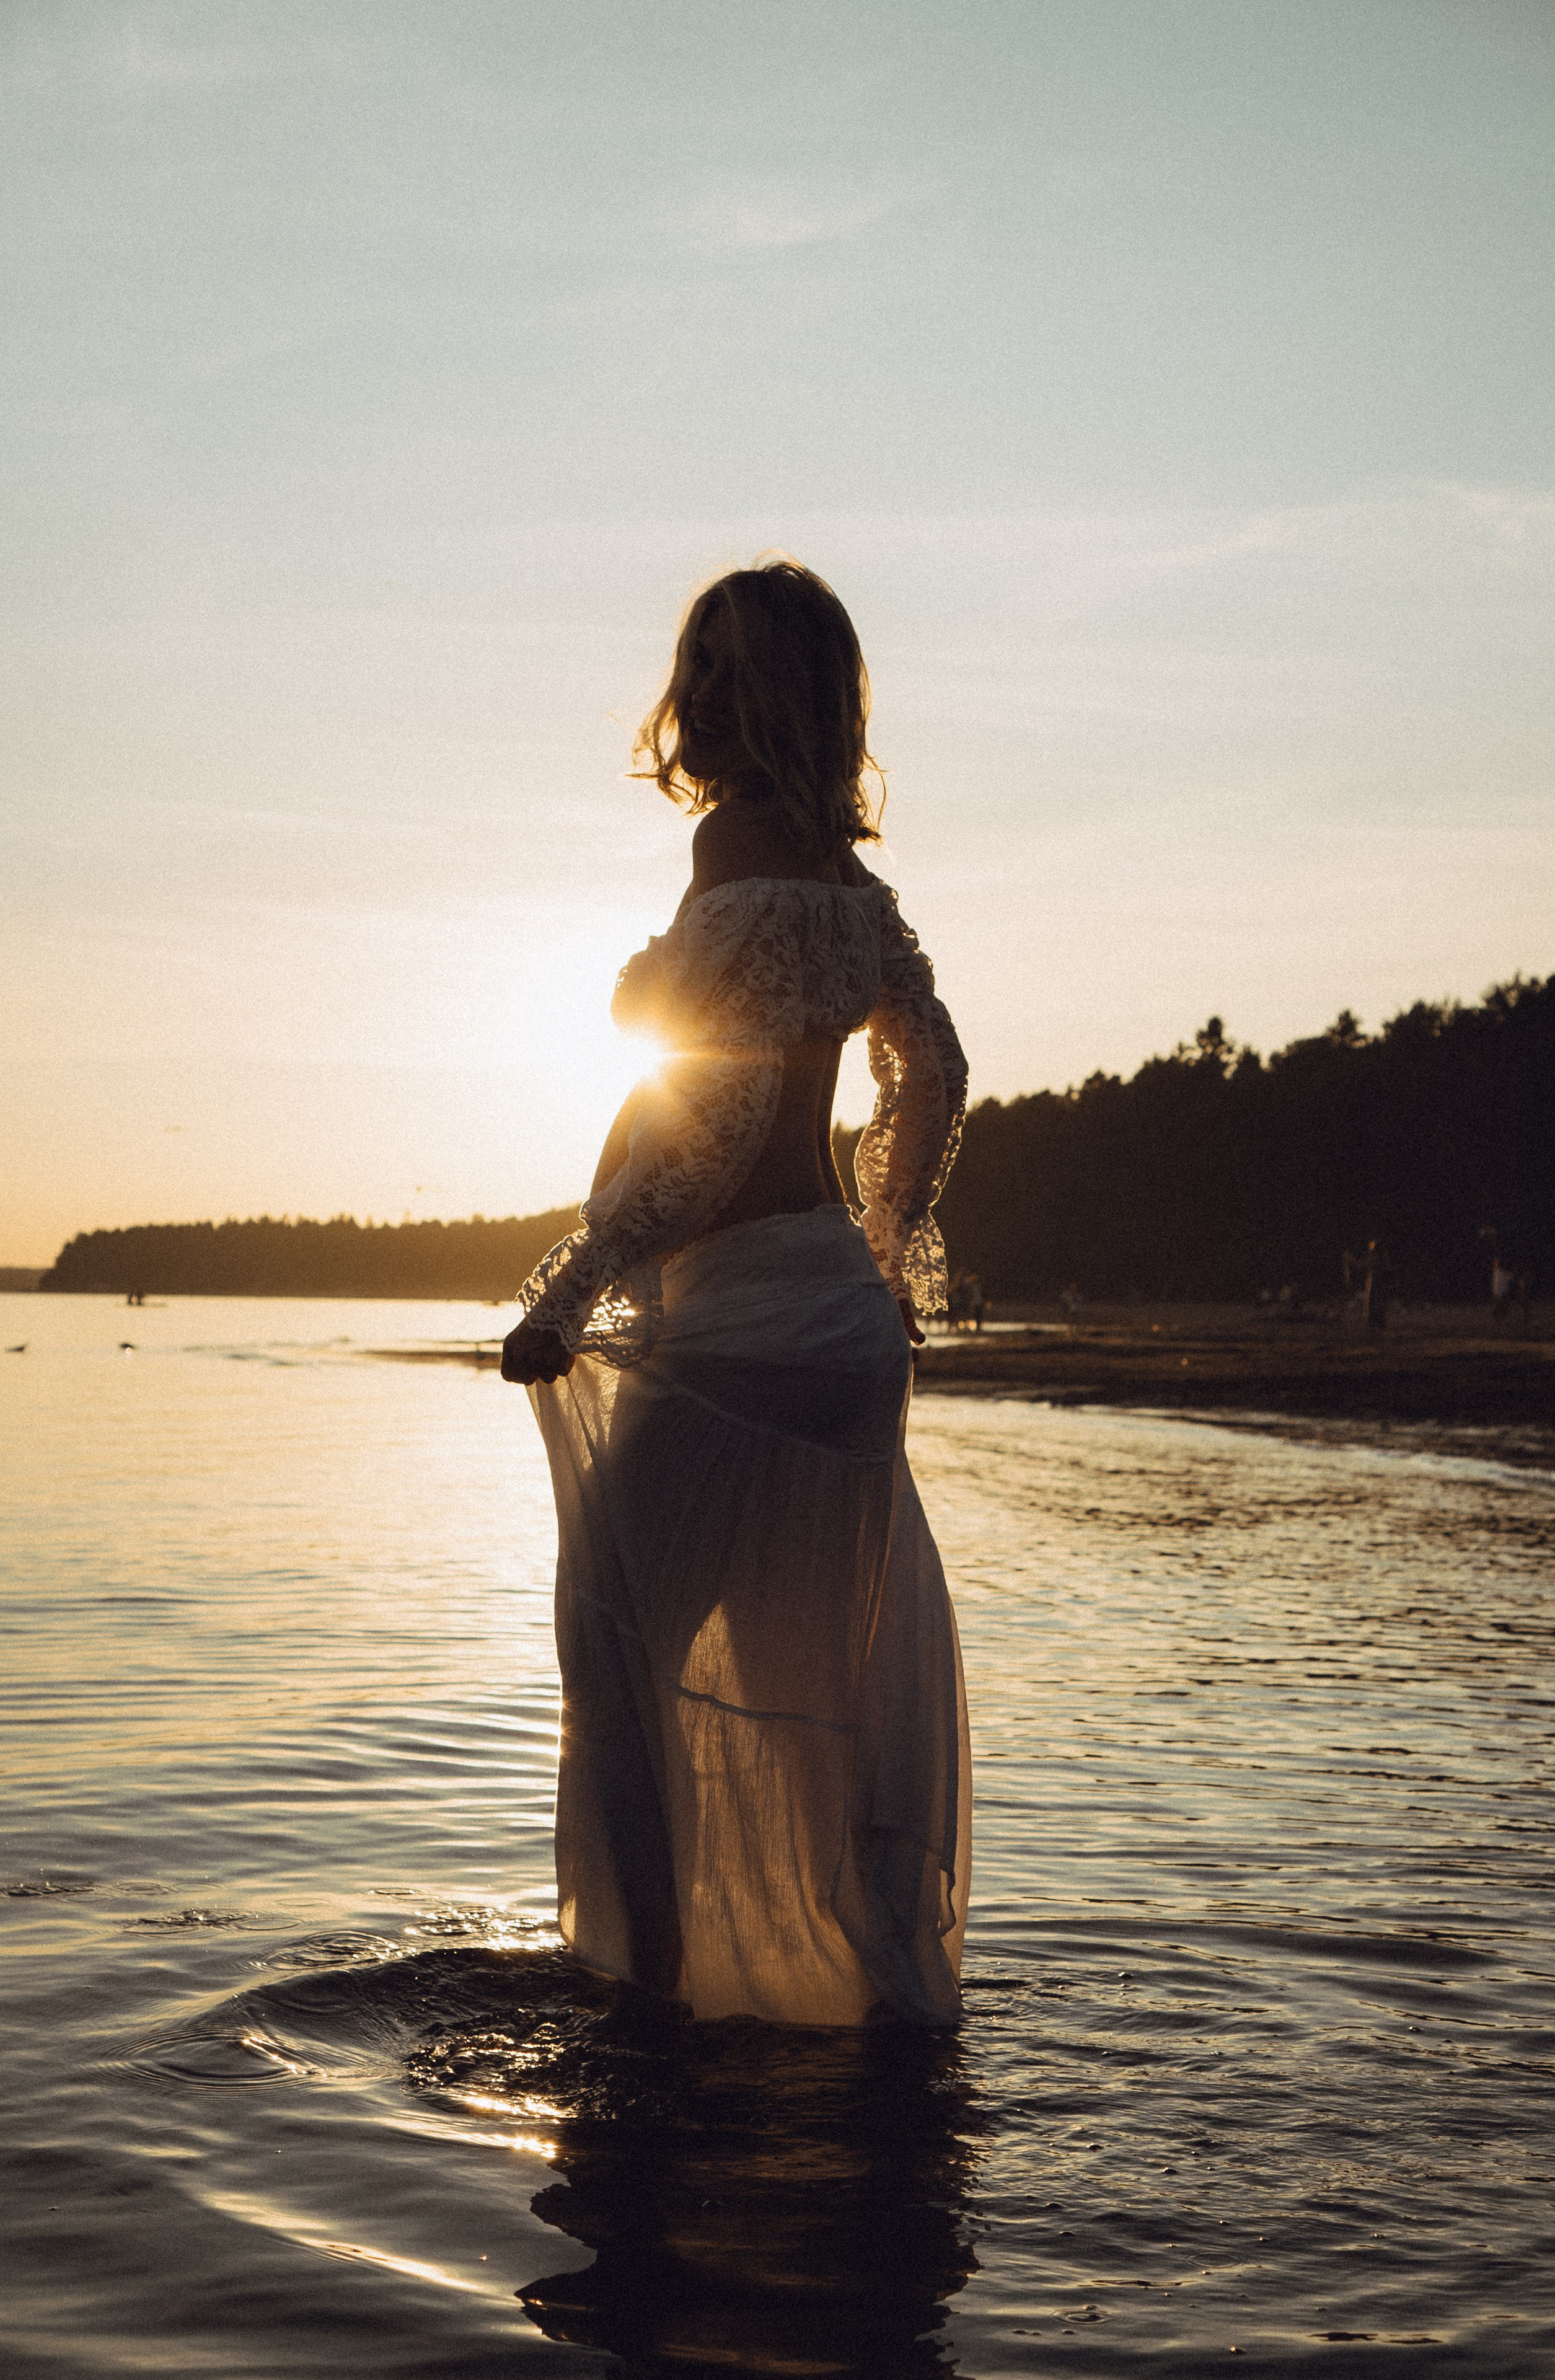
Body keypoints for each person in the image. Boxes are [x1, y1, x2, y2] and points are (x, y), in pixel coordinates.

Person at [500, 560, 971, 2029]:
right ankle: (853, 1994)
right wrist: (885, 1245)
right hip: (836, 1320)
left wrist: (570, 1289)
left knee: (615, 1643)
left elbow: (709, 1115)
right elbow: (932, 1072)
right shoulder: (852, 881)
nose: (692, 696)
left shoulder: (734, 850)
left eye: (720, 670)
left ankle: (646, 2006)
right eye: (688, 664)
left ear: (771, 699)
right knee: (811, 1676)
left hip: (749, 1316)